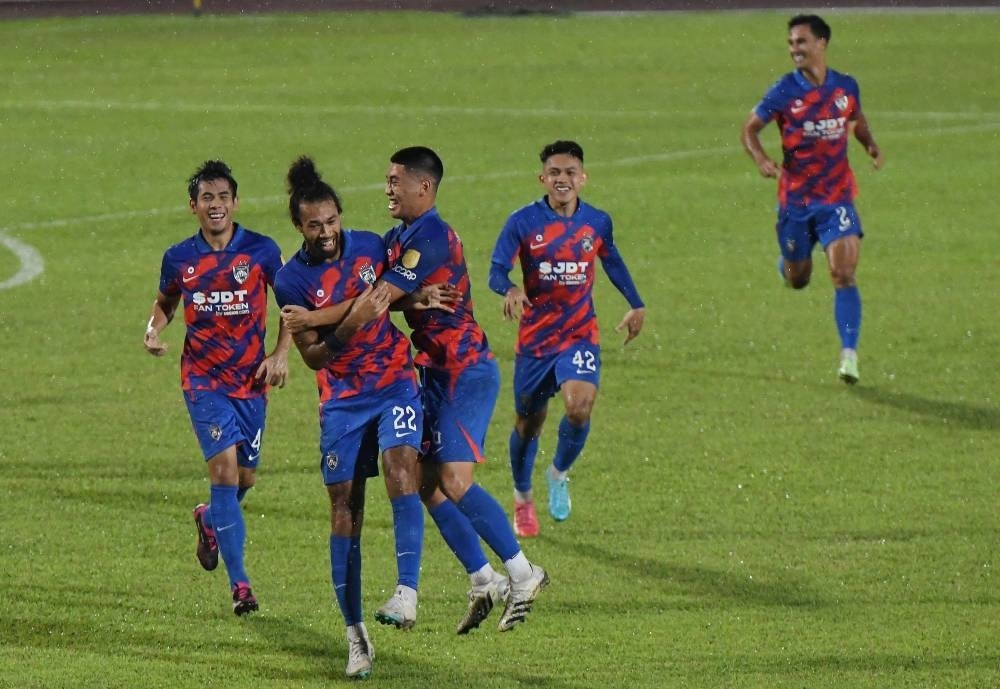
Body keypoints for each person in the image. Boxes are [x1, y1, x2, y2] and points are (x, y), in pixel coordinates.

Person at [283, 147, 548, 634]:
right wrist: (415, 297)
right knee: (425, 483)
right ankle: (482, 577)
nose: (386, 188)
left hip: (465, 369)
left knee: (454, 480)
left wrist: (311, 316)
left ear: (422, 187)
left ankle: (523, 571)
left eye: (394, 180)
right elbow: (386, 297)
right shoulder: (396, 237)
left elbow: (378, 298)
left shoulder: (432, 236)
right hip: (431, 372)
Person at [273, 157, 426, 679]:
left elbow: (389, 297)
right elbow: (315, 357)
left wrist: (412, 298)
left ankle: (407, 592)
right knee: (346, 511)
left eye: (332, 221)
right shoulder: (289, 280)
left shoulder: (370, 246)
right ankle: (354, 633)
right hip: (341, 400)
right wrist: (347, 324)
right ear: (299, 227)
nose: (327, 233)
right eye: (314, 226)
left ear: (341, 216)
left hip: (394, 379)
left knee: (402, 469)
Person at [143, 159, 291, 616]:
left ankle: (210, 517)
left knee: (245, 477)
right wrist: (153, 329)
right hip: (203, 380)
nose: (216, 205)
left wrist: (280, 354)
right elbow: (167, 301)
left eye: (223, 197)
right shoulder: (180, 258)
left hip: (251, 381)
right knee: (225, 474)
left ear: (235, 202)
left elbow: (292, 306)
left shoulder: (262, 251)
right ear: (193, 206)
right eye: (206, 198)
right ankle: (241, 585)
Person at [488, 140, 646, 537]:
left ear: (583, 177)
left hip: (579, 335)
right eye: (554, 173)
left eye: (569, 172)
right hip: (536, 342)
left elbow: (613, 261)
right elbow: (495, 271)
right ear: (543, 178)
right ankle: (522, 496)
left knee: (579, 407)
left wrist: (636, 303)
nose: (562, 179)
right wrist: (509, 289)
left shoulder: (597, 222)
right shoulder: (522, 222)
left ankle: (558, 473)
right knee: (528, 423)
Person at [741, 14, 883, 384]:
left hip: (837, 198)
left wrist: (869, 145)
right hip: (796, 203)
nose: (795, 50)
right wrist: (760, 158)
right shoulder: (784, 91)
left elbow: (857, 119)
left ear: (821, 43)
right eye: (791, 44)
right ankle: (789, 265)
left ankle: (849, 356)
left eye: (801, 42)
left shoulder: (846, 87)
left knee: (843, 272)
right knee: (798, 277)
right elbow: (749, 129)